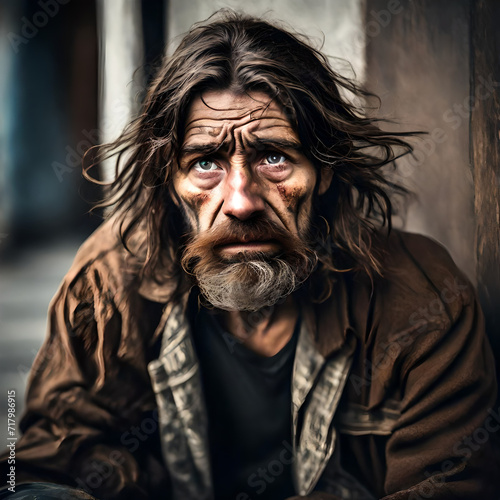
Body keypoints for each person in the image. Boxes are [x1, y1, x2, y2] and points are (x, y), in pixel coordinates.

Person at [1, 11, 498, 500]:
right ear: (171, 184)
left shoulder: (421, 299)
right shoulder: (109, 284)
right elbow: (47, 468)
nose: (240, 201)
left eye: (274, 157)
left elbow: (453, 483)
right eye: (205, 163)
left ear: (323, 171)